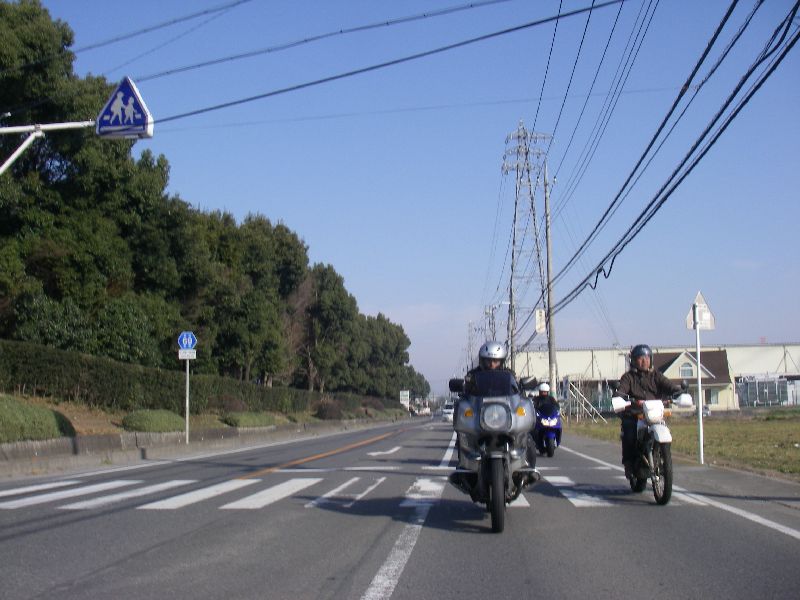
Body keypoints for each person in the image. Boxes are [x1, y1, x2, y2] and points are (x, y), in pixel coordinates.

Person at [614, 344, 681, 477]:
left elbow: (669, 386)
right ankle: (628, 463)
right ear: (634, 360)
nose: (644, 361)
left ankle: (662, 457)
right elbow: (622, 390)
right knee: (629, 433)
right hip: (635, 414)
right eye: (640, 358)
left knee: (665, 429)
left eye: (647, 357)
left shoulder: (656, 375)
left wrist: (678, 392)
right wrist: (619, 397)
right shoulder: (628, 377)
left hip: (654, 413)